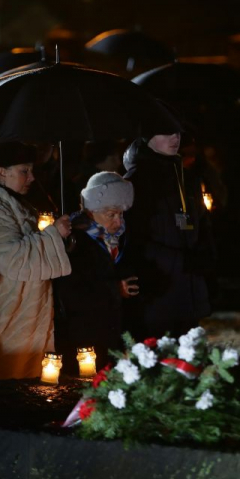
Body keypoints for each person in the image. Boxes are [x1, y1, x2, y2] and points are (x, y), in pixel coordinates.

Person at [0, 141, 72, 381]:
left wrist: (58, 240)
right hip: (5, 312)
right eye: (24, 171)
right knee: (7, 377)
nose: (31, 177)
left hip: (23, 309)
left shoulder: (14, 203)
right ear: (2, 171)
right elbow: (10, 258)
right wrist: (53, 236)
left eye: (32, 170)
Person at [123, 132, 213, 340]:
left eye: (178, 132)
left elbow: (202, 221)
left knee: (189, 354)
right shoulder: (136, 182)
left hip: (189, 283)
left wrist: (206, 254)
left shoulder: (187, 177)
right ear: (147, 137)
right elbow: (134, 238)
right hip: (156, 287)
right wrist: (179, 260)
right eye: (166, 132)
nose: (176, 138)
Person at [54, 171, 138, 370]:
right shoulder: (74, 242)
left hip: (116, 330)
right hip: (85, 335)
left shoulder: (122, 237)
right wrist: (114, 290)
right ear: (91, 211)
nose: (118, 221)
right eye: (111, 214)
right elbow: (71, 291)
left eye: (121, 214)